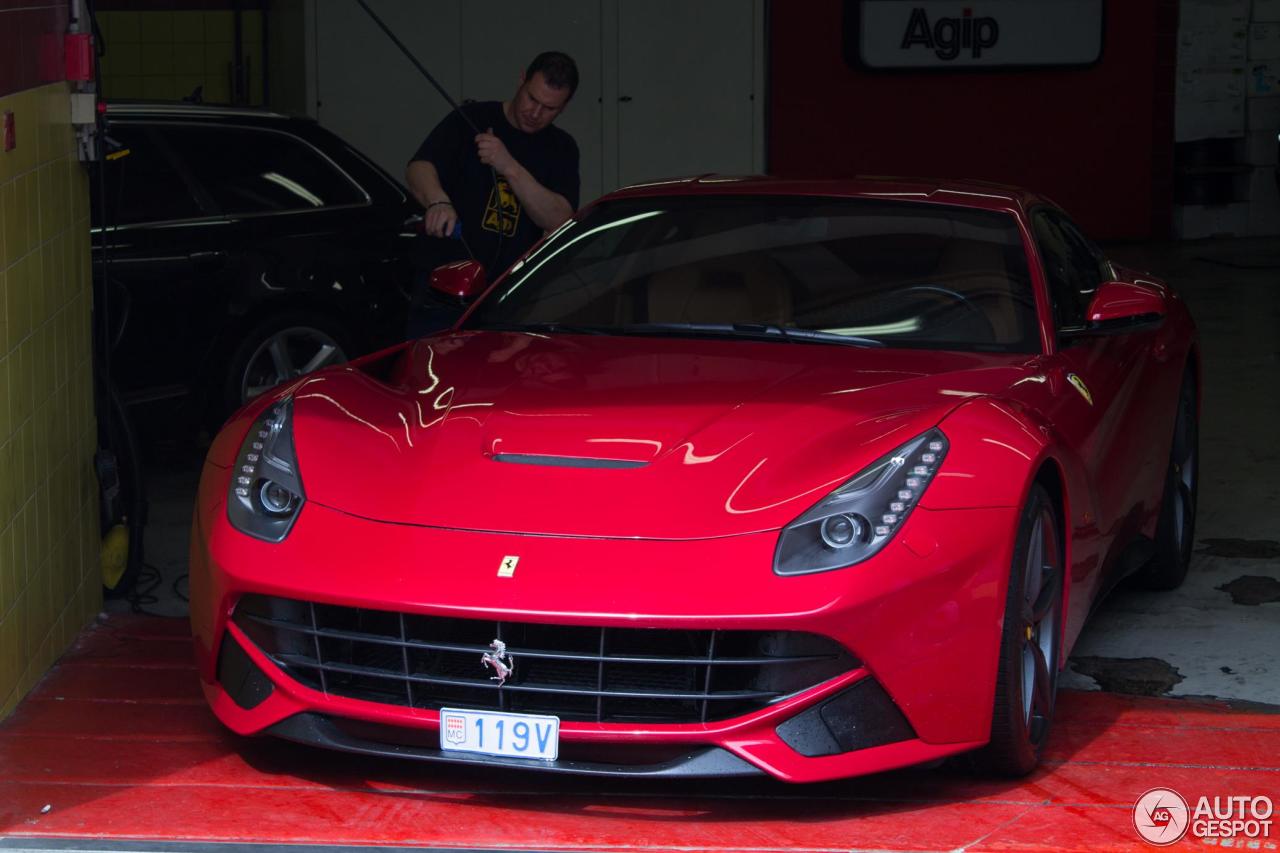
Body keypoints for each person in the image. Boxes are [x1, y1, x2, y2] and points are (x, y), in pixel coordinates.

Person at [404, 51, 580, 337]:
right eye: (532, 99)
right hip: (444, 289)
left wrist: (508, 165)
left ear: (565, 105)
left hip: (510, 297)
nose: (535, 114)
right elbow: (419, 167)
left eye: (549, 108)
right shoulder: (470, 119)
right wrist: (438, 201)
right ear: (521, 79)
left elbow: (559, 219)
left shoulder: (562, 148)